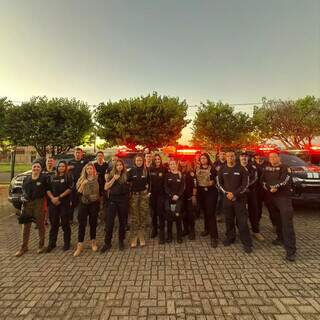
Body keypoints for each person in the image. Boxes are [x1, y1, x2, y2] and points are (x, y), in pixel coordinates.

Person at [261, 152, 297, 261]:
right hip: (271, 198)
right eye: (270, 157)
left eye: (274, 157)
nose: (272, 159)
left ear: (279, 158)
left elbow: (285, 180)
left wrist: (275, 187)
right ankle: (280, 238)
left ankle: (291, 251)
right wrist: (268, 187)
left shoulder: (285, 168)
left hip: (283, 198)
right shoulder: (266, 168)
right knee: (276, 220)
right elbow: (262, 181)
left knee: (287, 223)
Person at [217, 150, 253, 253]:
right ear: (225, 157)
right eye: (228, 156)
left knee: (242, 222)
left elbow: (245, 184)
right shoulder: (222, 169)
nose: (230, 158)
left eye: (232, 156)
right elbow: (219, 183)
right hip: (227, 199)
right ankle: (230, 238)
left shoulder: (242, 169)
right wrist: (227, 193)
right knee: (229, 220)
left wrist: (235, 194)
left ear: (235, 157)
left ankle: (247, 243)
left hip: (239, 200)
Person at [15, 160, 48, 257]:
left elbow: (48, 191)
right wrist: (22, 197)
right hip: (27, 204)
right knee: (26, 226)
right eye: (34, 166)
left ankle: (41, 245)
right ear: (31, 167)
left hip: (39, 204)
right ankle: (24, 247)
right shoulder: (26, 179)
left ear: (41, 169)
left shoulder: (44, 178)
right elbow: (23, 190)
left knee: (40, 225)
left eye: (38, 167)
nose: (36, 168)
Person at [101, 159, 129, 252]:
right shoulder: (111, 175)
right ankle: (107, 243)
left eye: (120, 165)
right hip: (113, 200)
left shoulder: (126, 175)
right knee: (110, 223)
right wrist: (114, 179)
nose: (119, 166)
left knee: (122, 222)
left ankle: (121, 241)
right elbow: (106, 187)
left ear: (123, 166)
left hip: (123, 201)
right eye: (117, 165)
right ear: (115, 167)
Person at [46, 160, 73, 252]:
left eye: (63, 166)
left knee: (65, 224)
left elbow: (70, 189)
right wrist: (53, 198)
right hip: (53, 203)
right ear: (57, 167)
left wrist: (59, 197)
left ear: (65, 167)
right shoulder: (52, 176)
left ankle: (67, 243)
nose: (61, 168)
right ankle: (51, 244)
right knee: (54, 224)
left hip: (64, 203)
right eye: (59, 166)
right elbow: (48, 189)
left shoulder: (68, 176)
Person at [73, 163, 100, 256]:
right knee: (82, 224)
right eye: (87, 168)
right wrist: (83, 185)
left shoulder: (97, 179)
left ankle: (93, 242)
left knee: (93, 223)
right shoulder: (81, 180)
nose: (89, 170)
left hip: (94, 204)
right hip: (84, 204)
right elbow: (78, 193)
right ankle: (80, 245)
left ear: (93, 170)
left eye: (91, 168)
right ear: (85, 170)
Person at [239, 152, 264, 241]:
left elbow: (255, 179)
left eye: (246, 156)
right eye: (242, 156)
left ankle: (256, 231)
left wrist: (245, 186)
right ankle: (241, 231)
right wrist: (241, 188)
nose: (244, 158)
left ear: (248, 158)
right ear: (239, 157)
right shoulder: (236, 167)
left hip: (251, 192)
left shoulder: (253, 167)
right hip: (240, 193)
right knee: (240, 213)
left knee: (254, 212)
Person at [196, 153, 219, 247]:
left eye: (204, 158)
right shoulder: (197, 169)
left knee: (210, 213)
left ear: (208, 159)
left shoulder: (213, 169)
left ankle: (214, 237)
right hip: (201, 193)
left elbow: (218, 180)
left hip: (211, 192)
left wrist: (213, 182)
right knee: (205, 212)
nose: (203, 160)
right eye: (201, 158)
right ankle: (207, 229)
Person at [127, 154, 150, 248]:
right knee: (134, 216)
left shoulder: (146, 170)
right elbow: (127, 182)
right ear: (135, 161)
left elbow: (150, 182)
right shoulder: (131, 171)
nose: (139, 162)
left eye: (140, 160)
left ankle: (141, 236)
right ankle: (134, 237)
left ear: (143, 161)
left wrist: (149, 192)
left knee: (143, 215)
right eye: (137, 160)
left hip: (144, 195)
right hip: (134, 196)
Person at [164, 159, 186, 243]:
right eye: (171, 164)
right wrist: (171, 195)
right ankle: (169, 236)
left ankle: (179, 236)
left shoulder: (181, 175)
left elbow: (183, 187)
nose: (172, 166)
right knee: (169, 217)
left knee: (178, 217)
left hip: (178, 199)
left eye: (174, 164)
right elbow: (165, 187)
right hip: (169, 199)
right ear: (169, 166)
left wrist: (178, 195)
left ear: (176, 165)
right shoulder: (167, 175)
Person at [149, 154, 167, 243]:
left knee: (161, 213)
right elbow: (148, 182)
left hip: (161, 195)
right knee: (153, 213)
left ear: (161, 160)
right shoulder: (150, 169)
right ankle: (154, 229)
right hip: (152, 195)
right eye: (155, 159)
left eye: (158, 159)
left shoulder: (164, 169)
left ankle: (161, 233)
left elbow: (166, 182)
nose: (157, 160)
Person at [68, 148, 89, 224]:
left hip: (82, 185)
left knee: (82, 202)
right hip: (73, 185)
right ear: (74, 154)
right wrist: (68, 168)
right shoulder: (70, 162)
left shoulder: (85, 162)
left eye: (79, 153)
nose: (77, 154)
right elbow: (66, 172)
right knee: (72, 203)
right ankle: (70, 219)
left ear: (82, 153)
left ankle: (81, 218)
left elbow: (89, 171)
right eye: (76, 153)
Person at [179, 158, 197, 240]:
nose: (182, 162)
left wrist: (194, 195)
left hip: (189, 197)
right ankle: (185, 229)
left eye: (184, 160)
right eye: (181, 161)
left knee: (190, 215)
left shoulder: (191, 173)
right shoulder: (178, 172)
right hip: (181, 197)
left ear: (187, 161)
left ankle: (192, 231)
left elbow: (195, 185)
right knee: (183, 214)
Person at [94, 151, 109, 220]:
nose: (99, 157)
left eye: (101, 156)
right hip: (96, 187)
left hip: (105, 186)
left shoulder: (106, 165)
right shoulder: (94, 165)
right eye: (98, 156)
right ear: (96, 157)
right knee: (96, 202)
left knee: (105, 202)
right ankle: (96, 216)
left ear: (103, 157)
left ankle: (104, 216)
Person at [214, 150, 226, 222]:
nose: (222, 155)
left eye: (224, 154)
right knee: (219, 200)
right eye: (221, 154)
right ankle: (218, 214)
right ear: (218, 155)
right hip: (218, 185)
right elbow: (213, 174)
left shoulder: (228, 162)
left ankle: (227, 214)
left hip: (228, 184)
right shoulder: (215, 164)